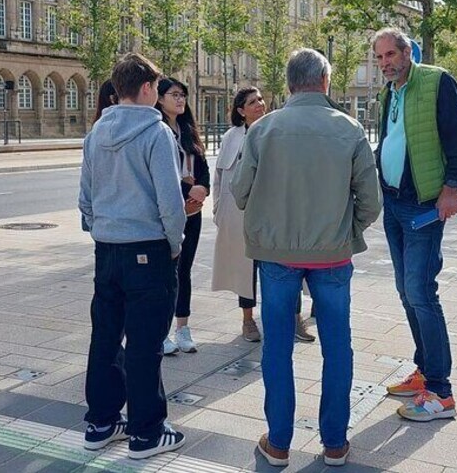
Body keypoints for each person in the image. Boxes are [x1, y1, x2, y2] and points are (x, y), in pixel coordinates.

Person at [231, 48, 381, 467]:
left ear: (288, 84)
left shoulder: (263, 130)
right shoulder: (350, 130)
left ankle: (278, 443)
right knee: (338, 346)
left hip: (276, 255)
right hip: (332, 256)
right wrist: (346, 232)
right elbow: (371, 202)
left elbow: (240, 193)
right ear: (326, 81)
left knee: (276, 346)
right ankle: (334, 442)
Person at [79, 52, 187, 460]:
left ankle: (101, 422)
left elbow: (85, 197)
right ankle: (147, 432)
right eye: (157, 87)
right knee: (145, 342)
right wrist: (172, 244)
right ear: (145, 88)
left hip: (107, 250)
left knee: (105, 337)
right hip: (148, 249)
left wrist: (101, 229)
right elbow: (170, 201)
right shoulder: (156, 133)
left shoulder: (95, 134)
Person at [372, 28, 457, 422]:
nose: (385, 63)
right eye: (379, 58)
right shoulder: (389, 93)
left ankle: (441, 392)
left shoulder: (436, 81)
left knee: (421, 292)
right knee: (404, 291)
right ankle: (424, 371)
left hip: (425, 204)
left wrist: (451, 188)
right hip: (395, 203)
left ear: (407, 51)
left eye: (391, 55)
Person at [211, 87, 314, 343]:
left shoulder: (277, 129)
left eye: (260, 99)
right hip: (239, 214)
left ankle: (294, 317)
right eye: (252, 101)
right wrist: (217, 209)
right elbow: (220, 176)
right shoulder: (231, 137)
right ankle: (248, 320)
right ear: (240, 110)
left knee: (290, 265)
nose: (259, 104)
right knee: (245, 270)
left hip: (276, 213)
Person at [156, 78, 209, 356]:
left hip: (193, 211)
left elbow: (203, 168)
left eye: (183, 95)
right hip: (169, 212)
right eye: (174, 94)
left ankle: (183, 327)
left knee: (184, 270)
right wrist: (192, 189)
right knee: (167, 272)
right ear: (159, 98)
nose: (180, 99)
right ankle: (162, 331)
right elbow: (163, 178)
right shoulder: (157, 131)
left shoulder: (188, 131)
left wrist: (202, 189)